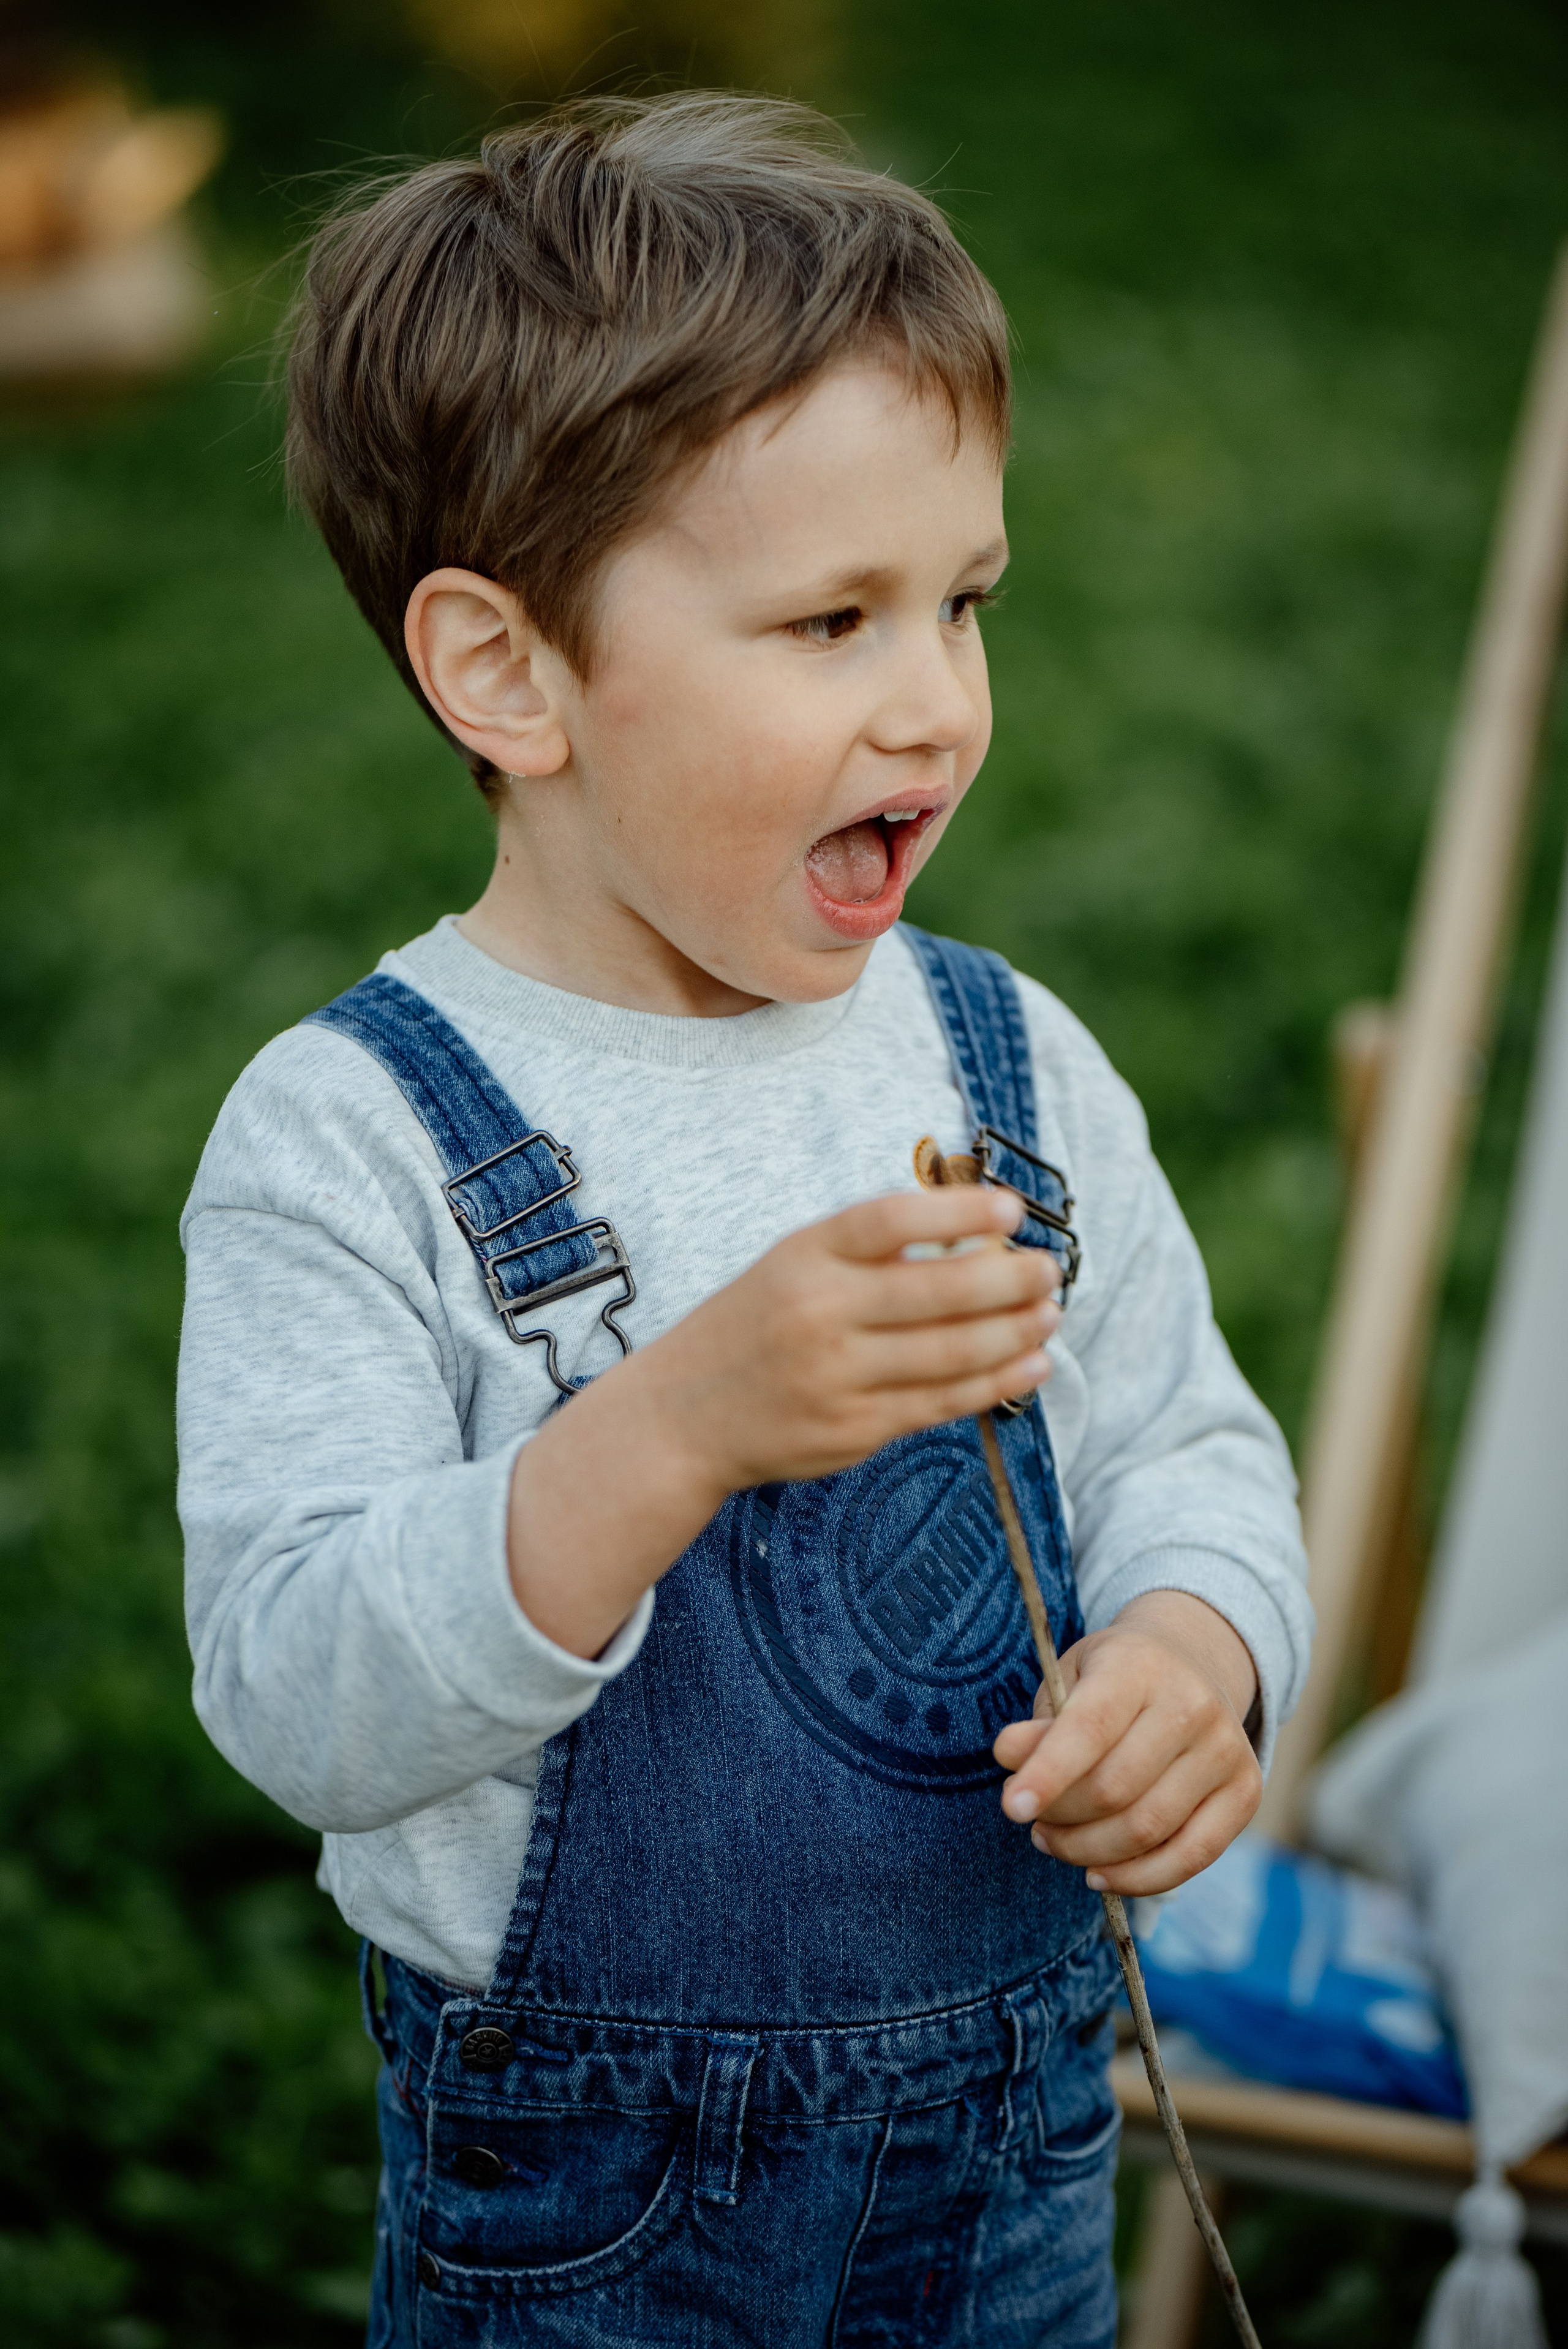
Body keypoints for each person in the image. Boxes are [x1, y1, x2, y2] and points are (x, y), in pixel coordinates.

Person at [177, 93, 1311, 2348]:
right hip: (600, 2220)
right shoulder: (356, 1139)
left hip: (1017, 2160)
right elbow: (295, 1684)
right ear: (510, 675)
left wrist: (1199, 1648)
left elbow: (1188, 1441)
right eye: (828, 620)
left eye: (964, 601)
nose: (936, 701)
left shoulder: (1007, 1065)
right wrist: (669, 1425)